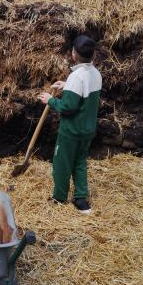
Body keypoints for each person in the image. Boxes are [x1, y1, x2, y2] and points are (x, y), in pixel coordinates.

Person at [38, 35, 102, 215]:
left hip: (71, 131)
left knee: (61, 163)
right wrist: (67, 85)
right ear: (93, 55)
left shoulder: (76, 76)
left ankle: (59, 198)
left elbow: (68, 108)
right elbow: (84, 92)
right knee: (80, 162)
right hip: (87, 130)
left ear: (74, 54)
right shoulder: (95, 73)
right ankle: (81, 199)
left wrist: (50, 100)